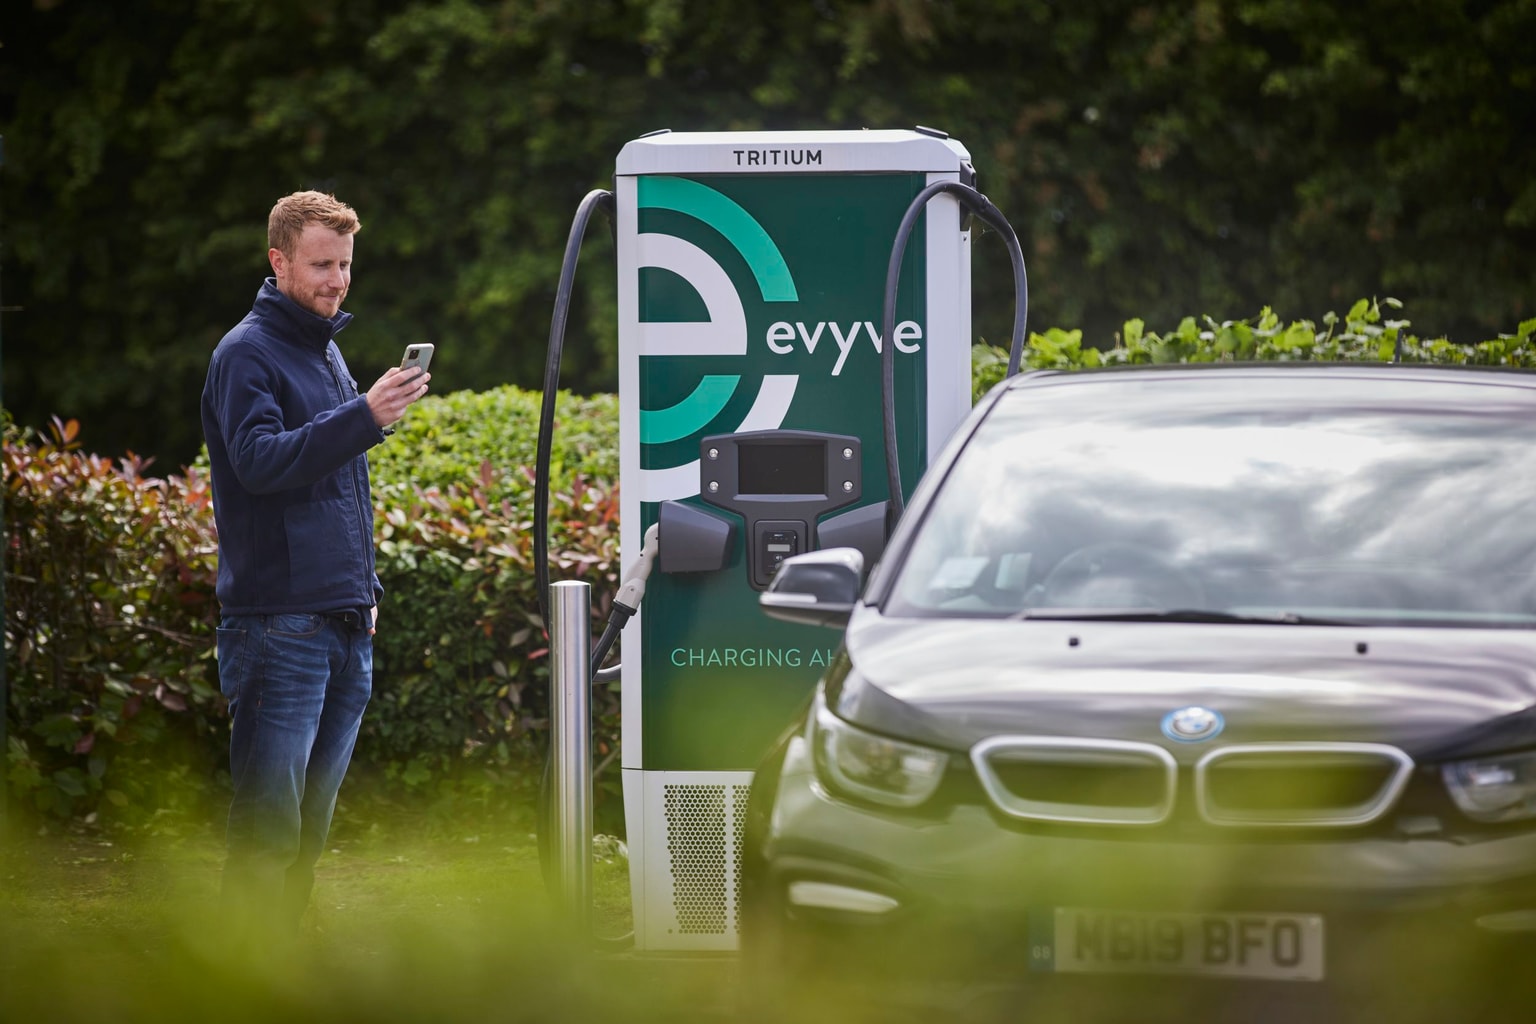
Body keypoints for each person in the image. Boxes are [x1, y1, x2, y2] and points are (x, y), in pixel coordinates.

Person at [200, 190, 430, 933]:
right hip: (277, 627)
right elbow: (261, 464)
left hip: (341, 621)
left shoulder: (322, 347)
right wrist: (363, 415)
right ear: (279, 261)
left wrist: (366, 595)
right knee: (269, 834)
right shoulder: (245, 355)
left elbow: (338, 483)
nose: (336, 280)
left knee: (305, 836)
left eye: (345, 265)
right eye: (321, 264)